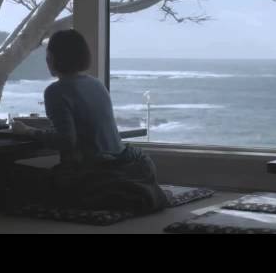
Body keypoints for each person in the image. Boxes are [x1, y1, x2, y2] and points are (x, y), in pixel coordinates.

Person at [10, 29, 168, 214]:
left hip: (95, 170)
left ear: (52, 58)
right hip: (129, 163)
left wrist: (27, 131)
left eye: (48, 56)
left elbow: (66, 141)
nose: (46, 61)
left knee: (18, 182)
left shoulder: (55, 91)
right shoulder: (96, 84)